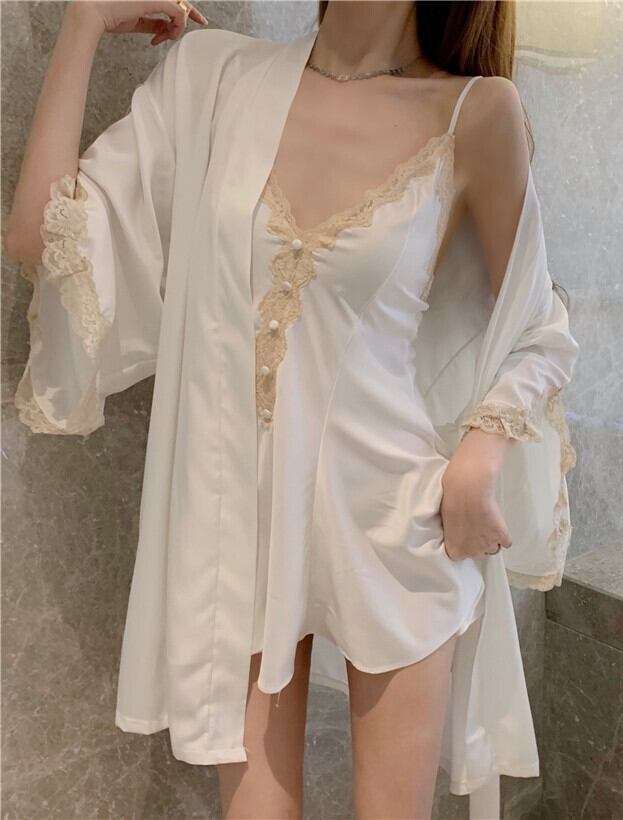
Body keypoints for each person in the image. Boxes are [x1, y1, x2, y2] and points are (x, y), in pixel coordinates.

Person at [4, 1, 580, 818]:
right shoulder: (216, 79)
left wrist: (478, 459)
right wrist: (85, 20)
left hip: (394, 523)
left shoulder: (476, 112)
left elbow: (539, 325)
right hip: (238, 530)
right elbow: (38, 236)